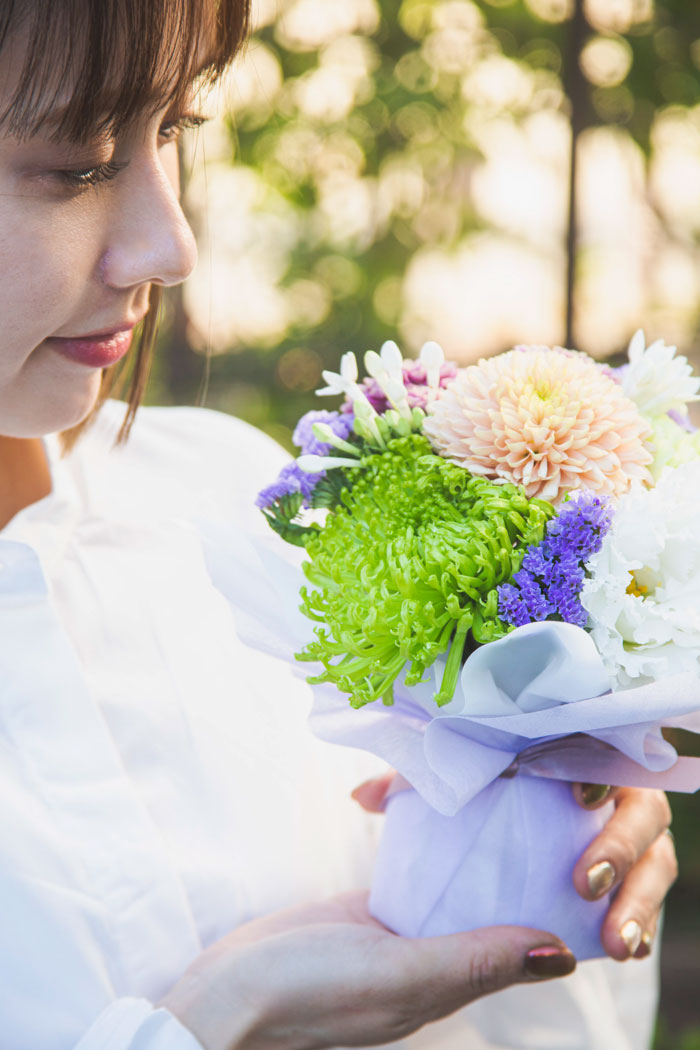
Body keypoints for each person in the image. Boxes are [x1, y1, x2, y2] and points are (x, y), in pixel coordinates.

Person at [0, 1, 678, 1048]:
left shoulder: (243, 514)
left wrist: (543, 842)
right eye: (74, 164)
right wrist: (216, 1022)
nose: (170, 245)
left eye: (176, 127)